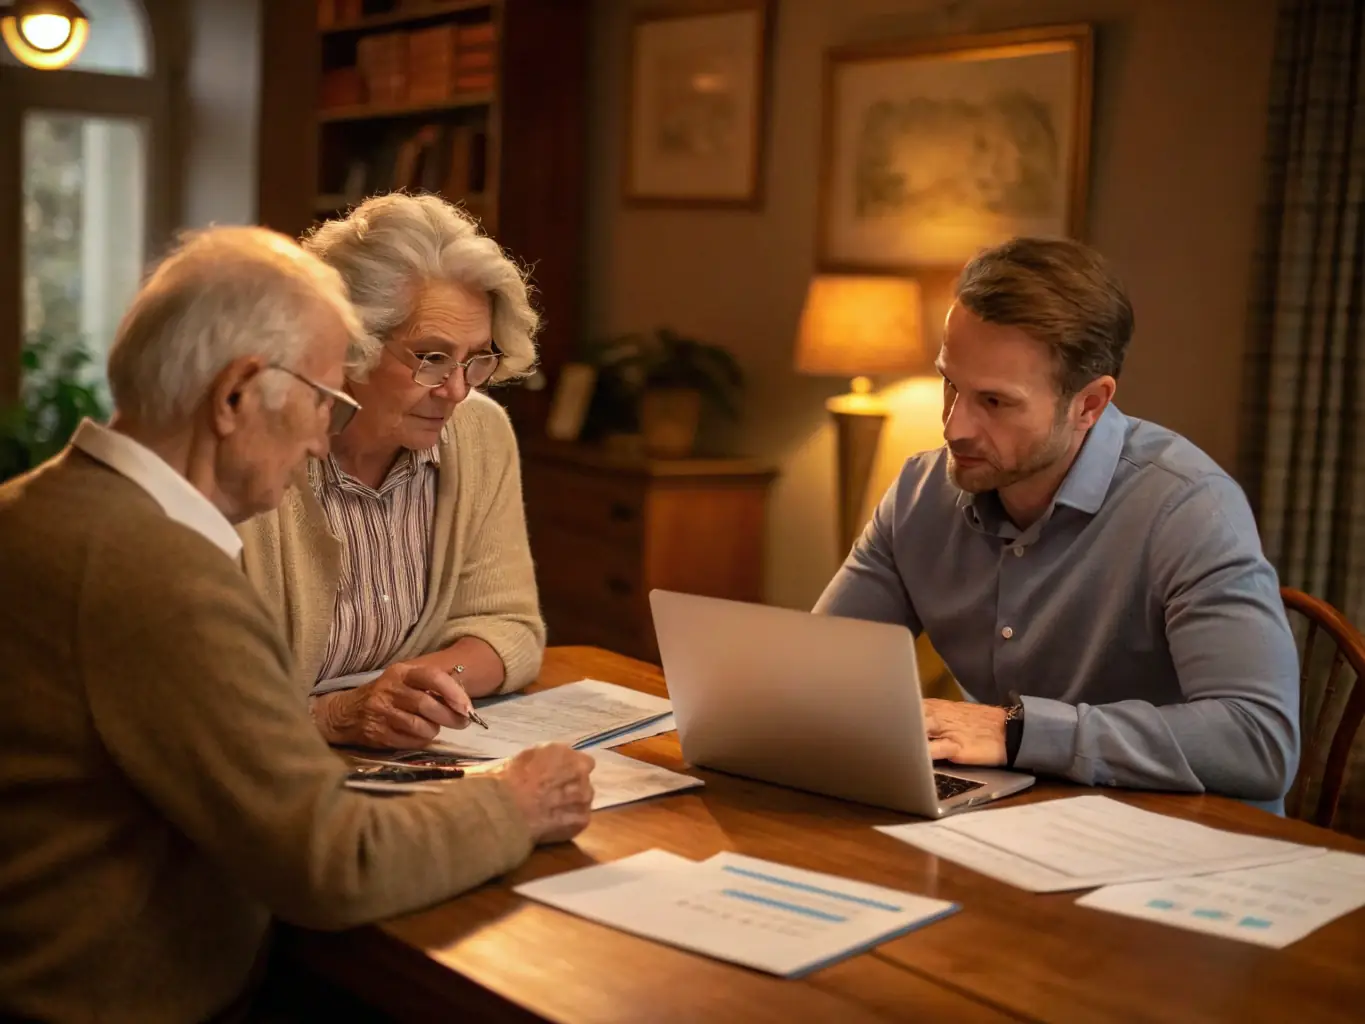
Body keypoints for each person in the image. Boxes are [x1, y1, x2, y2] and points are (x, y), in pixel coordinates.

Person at [0, 225, 594, 1024]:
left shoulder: (33, 510)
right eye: (322, 399)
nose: (323, 436)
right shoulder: (163, 579)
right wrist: (516, 802)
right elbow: (333, 863)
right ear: (237, 395)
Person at [814, 236, 1300, 807]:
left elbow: (1258, 742)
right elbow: (823, 676)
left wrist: (1017, 731)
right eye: (951, 383)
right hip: (1011, 818)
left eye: (994, 402)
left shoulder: (1187, 509)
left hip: (1183, 843)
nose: (953, 427)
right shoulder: (921, 494)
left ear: (1089, 405)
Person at [240, 192, 544, 752]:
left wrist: (416, 691)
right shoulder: (249, 456)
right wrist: (330, 716)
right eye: (430, 358)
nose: (456, 390)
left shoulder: (480, 433)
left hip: (406, 754)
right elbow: (202, 696)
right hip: (266, 762)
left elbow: (509, 627)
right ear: (346, 344)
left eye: (478, 356)